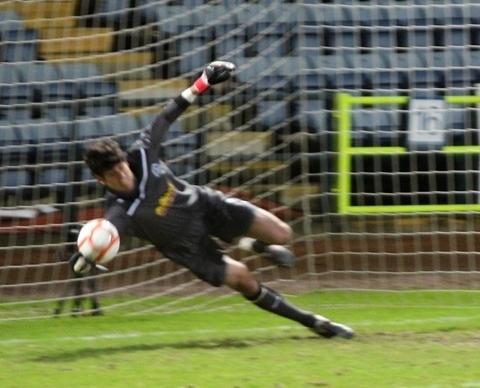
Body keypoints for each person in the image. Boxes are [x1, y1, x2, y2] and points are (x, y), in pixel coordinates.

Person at [71, 60, 354, 339]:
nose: (122, 174)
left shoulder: (142, 153)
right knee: (243, 279)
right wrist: (86, 256)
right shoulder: (118, 212)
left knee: (282, 233)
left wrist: (203, 81)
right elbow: (103, 236)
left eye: (121, 166)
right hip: (188, 247)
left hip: (206, 206)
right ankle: (313, 322)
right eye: (113, 174)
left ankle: (257, 244)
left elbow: (168, 115)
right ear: (101, 180)